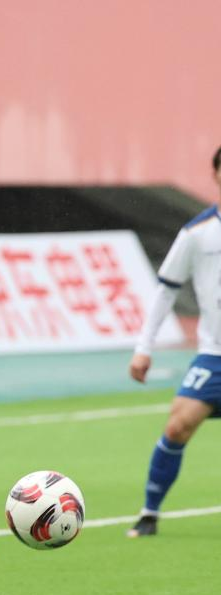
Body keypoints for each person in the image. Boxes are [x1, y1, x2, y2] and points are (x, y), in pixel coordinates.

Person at [127, 144, 221, 538]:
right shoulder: (197, 234)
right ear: (216, 175)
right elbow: (166, 289)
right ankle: (149, 513)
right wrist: (143, 347)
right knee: (178, 426)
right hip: (215, 355)